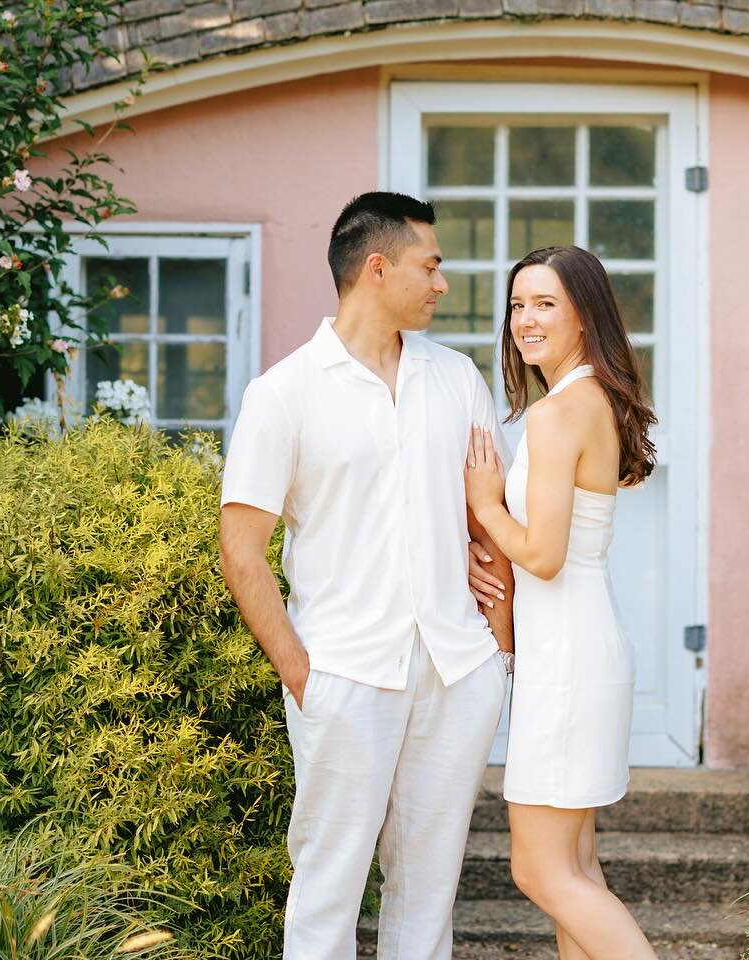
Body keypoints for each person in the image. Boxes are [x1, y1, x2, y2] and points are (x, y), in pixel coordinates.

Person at [218, 191, 514, 959]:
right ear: (377, 269)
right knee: (327, 890)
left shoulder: (457, 380)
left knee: (429, 891)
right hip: (343, 673)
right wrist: (302, 676)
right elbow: (241, 548)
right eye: (431, 265)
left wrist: (498, 657)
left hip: (455, 670)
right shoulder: (283, 393)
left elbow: (490, 526)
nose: (442, 283)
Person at [464, 244, 659, 960]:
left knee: (540, 869)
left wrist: (485, 503)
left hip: (569, 661)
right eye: (518, 304)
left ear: (585, 315)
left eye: (545, 303)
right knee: (575, 870)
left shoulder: (557, 414)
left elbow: (541, 557)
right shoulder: (589, 399)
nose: (526, 319)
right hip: (582, 647)